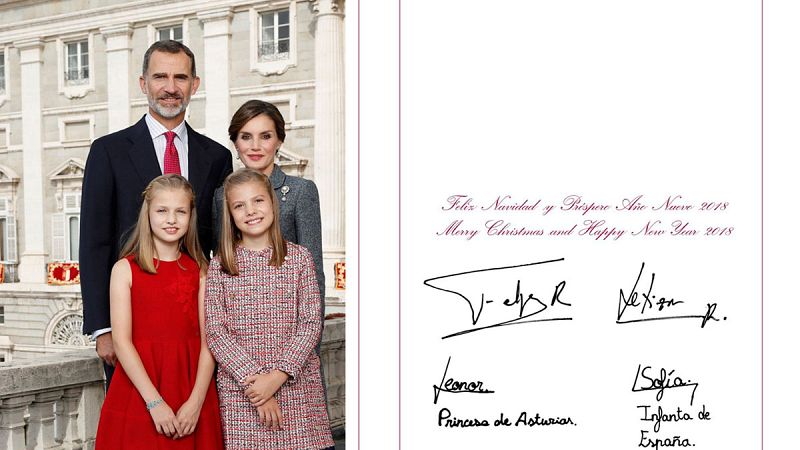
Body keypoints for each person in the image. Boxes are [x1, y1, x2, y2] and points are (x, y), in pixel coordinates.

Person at [80, 40, 233, 383]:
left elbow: (221, 243)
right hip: (130, 324)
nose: (170, 87)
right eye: (160, 76)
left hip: (195, 324)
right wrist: (102, 327)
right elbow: (94, 241)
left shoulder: (217, 156)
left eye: (180, 77)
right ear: (143, 83)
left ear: (194, 85)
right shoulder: (108, 151)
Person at [205, 169, 334, 450]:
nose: (250, 211)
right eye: (239, 205)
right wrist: (258, 387)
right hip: (243, 393)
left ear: (272, 204)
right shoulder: (220, 266)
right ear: (230, 214)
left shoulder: (299, 258)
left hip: (296, 387)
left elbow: (310, 324)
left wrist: (276, 378)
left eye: (258, 201)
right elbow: (216, 332)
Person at [95, 174, 223, 449]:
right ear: (148, 214)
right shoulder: (124, 269)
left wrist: (196, 402)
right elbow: (122, 343)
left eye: (180, 211)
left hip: (191, 387)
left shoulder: (201, 271)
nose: (171, 219)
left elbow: (208, 343)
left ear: (191, 216)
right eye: (162, 210)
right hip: (139, 390)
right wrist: (154, 403)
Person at [212, 100, 325, 321]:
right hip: (238, 325)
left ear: (279, 141)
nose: (255, 146)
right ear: (235, 143)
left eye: (266, 136)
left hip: (290, 325)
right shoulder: (221, 195)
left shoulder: (301, 192)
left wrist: (312, 347)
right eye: (245, 136)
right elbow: (221, 260)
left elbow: (315, 273)